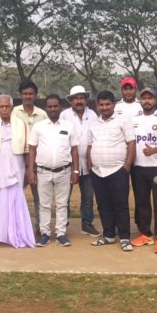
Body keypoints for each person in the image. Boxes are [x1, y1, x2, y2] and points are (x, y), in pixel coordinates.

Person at [0, 94, 35, 248]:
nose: (4, 109)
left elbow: (26, 149)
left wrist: (29, 170)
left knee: (15, 201)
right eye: (1, 106)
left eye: (7, 106)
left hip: (16, 166)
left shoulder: (20, 123)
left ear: (12, 107)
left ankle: (17, 233)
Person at [27, 94, 79, 247]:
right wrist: (31, 171)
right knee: (44, 205)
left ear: (60, 107)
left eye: (55, 106)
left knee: (62, 204)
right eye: (50, 106)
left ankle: (61, 233)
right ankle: (45, 234)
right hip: (43, 171)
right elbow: (32, 149)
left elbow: (74, 150)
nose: (53, 109)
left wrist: (76, 171)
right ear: (45, 108)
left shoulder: (68, 126)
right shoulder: (38, 127)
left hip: (64, 171)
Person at [87, 90, 136, 251]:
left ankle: (124, 237)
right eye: (101, 104)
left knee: (120, 205)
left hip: (118, 170)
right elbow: (90, 145)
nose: (104, 107)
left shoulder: (123, 120)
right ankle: (108, 235)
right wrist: (90, 163)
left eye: (107, 104)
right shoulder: (94, 123)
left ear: (114, 105)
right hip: (98, 171)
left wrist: (127, 166)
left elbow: (131, 143)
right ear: (97, 106)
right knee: (103, 205)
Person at [129, 87, 157, 254]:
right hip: (138, 167)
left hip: (156, 168)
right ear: (140, 101)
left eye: (150, 98)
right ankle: (145, 234)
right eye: (144, 98)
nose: (147, 101)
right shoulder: (134, 120)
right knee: (141, 202)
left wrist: (155, 150)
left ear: (155, 100)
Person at [60, 85, 101, 237]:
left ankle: (87, 224)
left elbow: (95, 137)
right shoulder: (64, 115)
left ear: (86, 99)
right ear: (70, 101)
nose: (79, 101)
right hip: (68, 163)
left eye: (81, 98)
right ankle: (62, 224)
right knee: (64, 196)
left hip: (88, 162)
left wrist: (92, 158)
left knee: (88, 197)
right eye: (76, 98)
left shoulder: (93, 115)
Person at [13, 80, 47, 235]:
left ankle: (41, 226)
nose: (28, 96)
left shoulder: (42, 115)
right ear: (20, 95)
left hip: (38, 160)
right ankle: (16, 226)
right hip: (17, 159)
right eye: (25, 94)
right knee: (15, 194)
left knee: (39, 196)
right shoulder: (13, 112)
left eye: (31, 94)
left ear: (36, 95)